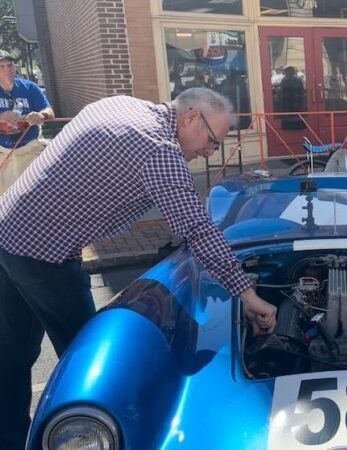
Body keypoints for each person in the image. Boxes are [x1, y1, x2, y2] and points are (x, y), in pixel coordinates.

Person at [0, 88, 277, 450]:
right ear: (191, 116)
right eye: (212, 141)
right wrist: (247, 293)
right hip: (44, 253)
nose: (208, 152)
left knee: (12, 356)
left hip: (7, 230)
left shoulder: (121, 104)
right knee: (97, 362)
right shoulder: (158, 149)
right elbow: (196, 228)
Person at [0, 49, 55, 194]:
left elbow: (49, 112)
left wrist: (41, 115)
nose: (7, 69)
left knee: (35, 192)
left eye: (10, 65)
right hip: (2, 151)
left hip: (29, 148)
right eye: (2, 66)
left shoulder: (30, 87)